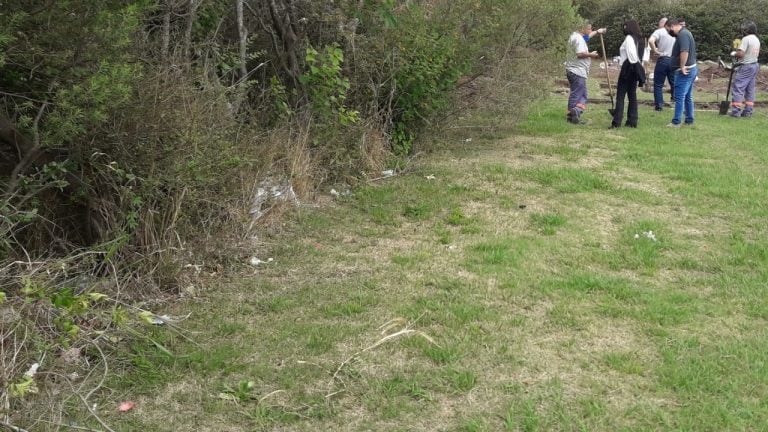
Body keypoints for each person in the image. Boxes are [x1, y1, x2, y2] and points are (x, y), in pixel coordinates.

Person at [565, 21, 607, 124]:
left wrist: (597, 31)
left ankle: (574, 113)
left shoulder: (575, 36)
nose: (590, 31)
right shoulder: (578, 39)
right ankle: (573, 114)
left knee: (581, 94)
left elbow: (588, 36)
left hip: (573, 70)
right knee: (579, 95)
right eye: (589, 29)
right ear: (582, 29)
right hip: (577, 71)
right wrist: (591, 55)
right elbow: (579, 54)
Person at [611, 20, 646, 128]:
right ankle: (632, 121)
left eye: (625, 26)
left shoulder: (629, 38)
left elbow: (631, 55)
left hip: (629, 68)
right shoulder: (640, 39)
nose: (624, 28)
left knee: (621, 96)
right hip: (635, 68)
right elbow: (643, 56)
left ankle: (617, 122)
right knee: (632, 95)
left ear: (630, 27)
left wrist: (632, 66)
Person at [666, 18, 697, 128]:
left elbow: (684, 51)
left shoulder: (683, 35)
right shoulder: (686, 33)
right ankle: (689, 119)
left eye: (668, 29)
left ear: (672, 26)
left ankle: (676, 122)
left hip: (685, 71)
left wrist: (682, 66)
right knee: (688, 96)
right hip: (691, 69)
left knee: (679, 96)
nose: (668, 32)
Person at [729, 21, 761, 118]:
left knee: (738, 87)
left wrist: (734, 53)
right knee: (750, 89)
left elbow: (741, 54)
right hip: (754, 65)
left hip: (746, 66)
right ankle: (748, 111)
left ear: (747, 30)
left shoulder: (746, 39)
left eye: (745, 29)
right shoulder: (756, 39)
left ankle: (735, 112)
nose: (743, 30)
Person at [649, 17, 676, 111]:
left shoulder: (659, 31)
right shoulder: (675, 32)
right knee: (673, 83)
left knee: (658, 84)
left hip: (663, 59)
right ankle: (675, 102)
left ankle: (659, 106)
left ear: (663, 24)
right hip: (673, 60)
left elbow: (651, 41)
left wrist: (655, 50)